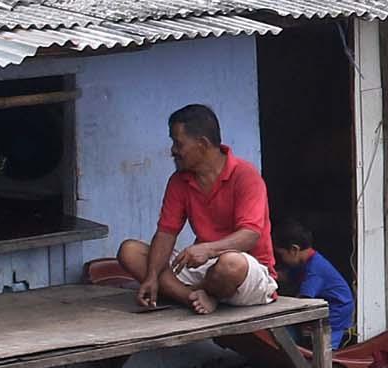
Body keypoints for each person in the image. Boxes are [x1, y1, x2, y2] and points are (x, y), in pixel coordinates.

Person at [117, 104, 278, 316]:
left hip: (247, 274)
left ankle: (200, 293)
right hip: (203, 270)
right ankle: (194, 298)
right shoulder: (179, 181)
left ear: (202, 144)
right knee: (129, 251)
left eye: (178, 143)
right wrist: (152, 277)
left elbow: (250, 236)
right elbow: (166, 233)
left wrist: (208, 249)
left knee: (230, 264)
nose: (173, 150)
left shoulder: (246, 176)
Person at [273, 220, 355, 347]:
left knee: (323, 348)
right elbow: (286, 276)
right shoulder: (304, 261)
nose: (280, 259)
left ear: (294, 249)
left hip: (336, 313)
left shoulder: (315, 270)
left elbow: (302, 303)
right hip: (331, 308)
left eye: (280, 255)